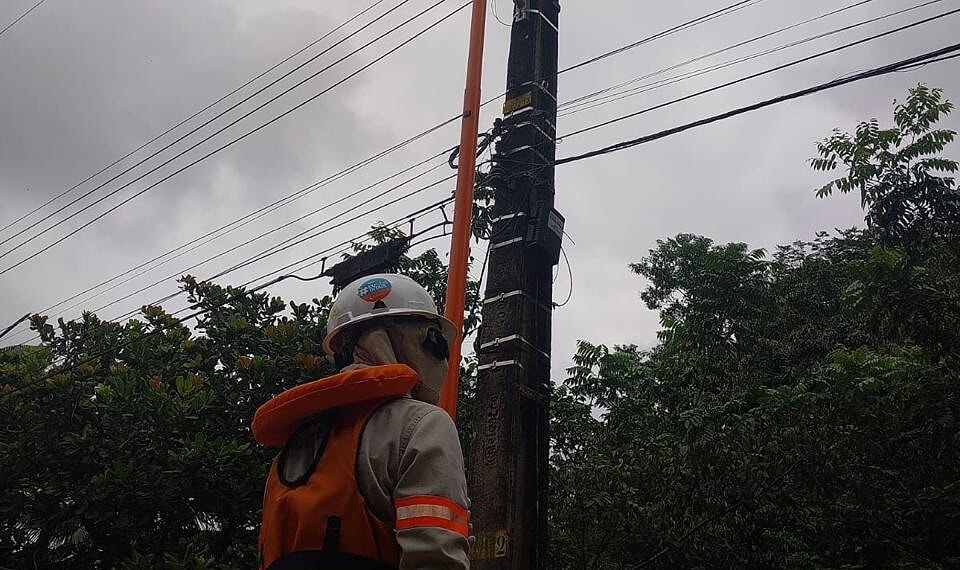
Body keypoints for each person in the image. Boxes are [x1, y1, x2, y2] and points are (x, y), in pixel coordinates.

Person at [252, 273, 471, 569]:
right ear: (406, 338)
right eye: (434, 342)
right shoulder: (422, 425)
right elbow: (436, 560)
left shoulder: (293, 449)